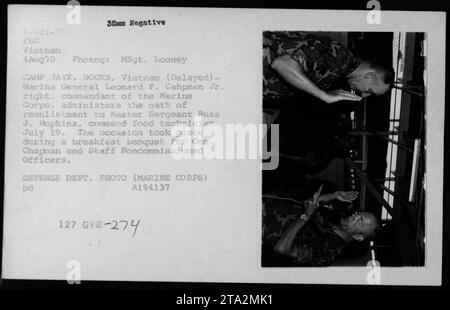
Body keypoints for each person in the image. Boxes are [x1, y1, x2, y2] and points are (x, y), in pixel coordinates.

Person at [262, 185, 380, 266]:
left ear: (359, 237)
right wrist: (334, 195)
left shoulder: (329, 252)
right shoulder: (336, 217)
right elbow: (308, 203)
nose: (355, 215)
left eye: (359, 220)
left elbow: (282, 248)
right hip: (264, 206)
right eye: (359, 213)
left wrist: (305, 217)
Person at [263, 32, 395, 103]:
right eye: (370, 91)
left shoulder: (339, 70)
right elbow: (282, 64)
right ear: (369, 75)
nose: (365, 95)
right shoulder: (337, 58)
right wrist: (323, 95)